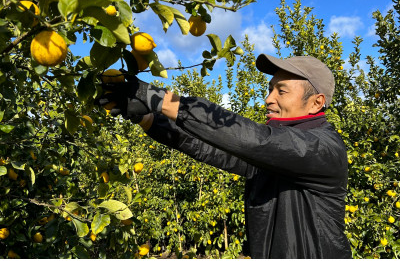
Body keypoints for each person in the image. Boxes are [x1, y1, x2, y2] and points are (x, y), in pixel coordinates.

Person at [97, 54, 352, 259]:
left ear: (317, 103)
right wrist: (148, 118)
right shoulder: (274, 155)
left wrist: (157, 98)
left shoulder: (323, 148)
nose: (268, 99)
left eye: (281, 92)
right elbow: (212, 148)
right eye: (270, 89)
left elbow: (255, 139)